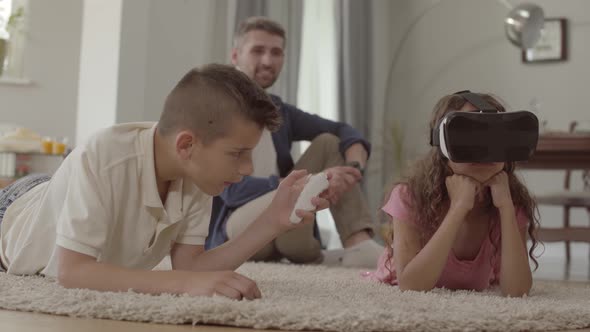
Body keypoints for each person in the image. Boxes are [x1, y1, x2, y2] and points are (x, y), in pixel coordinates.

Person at [0, 64, 328, 300]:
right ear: (186, 145)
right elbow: (73, 273)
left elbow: (192, 267)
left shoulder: (197, 173)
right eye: (237, 153)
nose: (247, 168)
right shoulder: (103, 154)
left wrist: (272, 221)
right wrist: (181, 284)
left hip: (55, 193)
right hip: (14, 211)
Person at [205, 16, 383, 267]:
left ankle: (358, 244)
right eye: (258, 50)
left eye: (276, 52)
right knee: (303, 188)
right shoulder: (216, 109)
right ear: (235, 56)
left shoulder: (280, 111)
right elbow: (233, 192)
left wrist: (353, 170)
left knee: (329, 142)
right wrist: (306, 183)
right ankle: (322, 254)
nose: (268, 61)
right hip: (238, 228)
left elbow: (345, 130)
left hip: (289, 227)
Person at [364, 92, 540, 297]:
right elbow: (411, 285)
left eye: (495, 136)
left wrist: (507, 209)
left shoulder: (510, 201)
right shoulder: (409, 197)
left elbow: (517, 291)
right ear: (442, 144)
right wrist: (458, 208)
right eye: (469, 134)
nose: (484, 148)